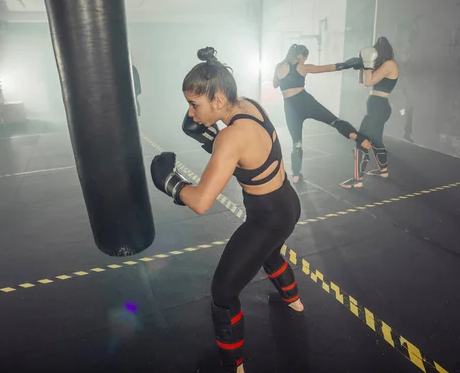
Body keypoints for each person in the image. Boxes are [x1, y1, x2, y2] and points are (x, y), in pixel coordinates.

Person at [150, 47, 303, 373]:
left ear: (218, 99)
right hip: (288, 204)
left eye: (195, 105)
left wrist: (170, 183)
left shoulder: (230, 137)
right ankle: (294, 300)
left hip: (267, 218)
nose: (191, 114)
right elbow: (246, 156)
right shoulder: (248, 105)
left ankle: (233, 364)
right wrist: (209, 138)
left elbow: (202, 201)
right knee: (269, 253)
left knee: (223, 292)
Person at [273, 44, 369, 183]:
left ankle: (295, 175)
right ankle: (360, 139)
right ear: (301, 56)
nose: (304, 61)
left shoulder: (279, 66)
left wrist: (281, 75)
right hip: (305, 102)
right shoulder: (303, 67)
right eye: (304, 58)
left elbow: (275, 84)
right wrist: (348, 65)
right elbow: (327, 68)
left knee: (297, 143)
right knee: (334, 121)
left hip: (290, 107)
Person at [340, 37, 399, 188]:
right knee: (376, 140)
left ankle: (357, 180)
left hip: (379, 107)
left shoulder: (389, 64)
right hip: (376, 107)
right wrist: (361, 66)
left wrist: (367, 65)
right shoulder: (382, 65)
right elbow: (363, 81)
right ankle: (383, 170)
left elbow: (369, 82)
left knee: (361, 139)